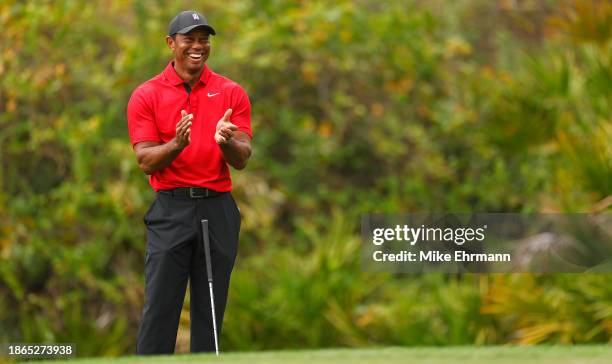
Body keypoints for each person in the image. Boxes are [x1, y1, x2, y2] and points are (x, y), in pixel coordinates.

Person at [126, 10, 252, 355]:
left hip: (218, 208)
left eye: (204, 39)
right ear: (171, 44)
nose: (198, 46)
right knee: (160, 309)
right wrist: (177, 144)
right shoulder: (147, 94)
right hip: (171, 209)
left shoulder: (231, 92)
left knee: (210, 312)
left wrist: (225, 140)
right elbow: (144, 159)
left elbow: (242, 158)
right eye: (189, 39)